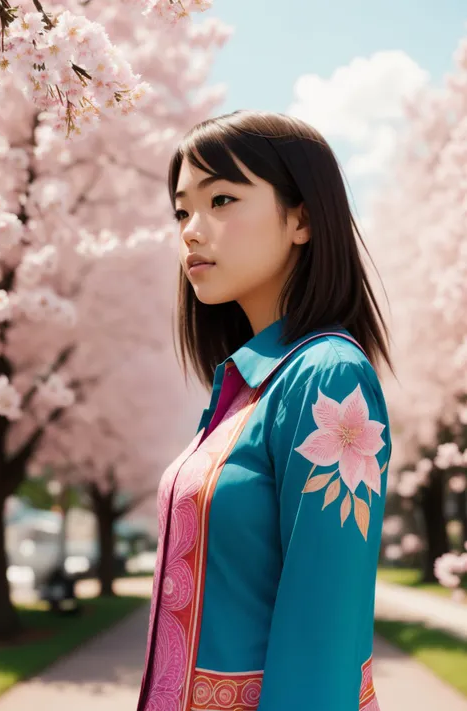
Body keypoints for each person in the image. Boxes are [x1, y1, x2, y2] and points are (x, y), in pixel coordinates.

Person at [136, 109, 393, 711]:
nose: (192, 231)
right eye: (181, 211)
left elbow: (322, 637)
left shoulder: (329, 380)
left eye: (222, 199)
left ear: (302, 217)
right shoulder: (245, 388)